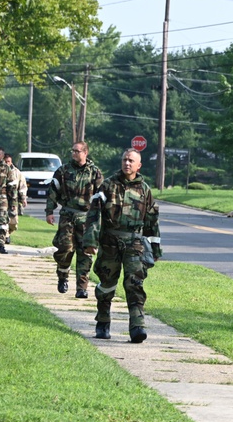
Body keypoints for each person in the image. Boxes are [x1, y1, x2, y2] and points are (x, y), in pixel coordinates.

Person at [84, 149, 161, 343]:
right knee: (107, 285)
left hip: (134, 243)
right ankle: (103, 322)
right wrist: (90, 241)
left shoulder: (145, 190)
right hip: (109, 241)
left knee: (135, 283)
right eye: (125, 160)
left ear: (138, 166)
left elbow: (152, 221)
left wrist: (156, 249)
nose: (127, 163)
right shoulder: (107, 186)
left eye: (131, 161)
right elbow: (94, 215)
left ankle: (137, 326)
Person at [45, 141, 104, 299]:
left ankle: (82, 287)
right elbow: (52, 191)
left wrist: (102, 217)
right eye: (73, 151)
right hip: (68, 216)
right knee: (65, 249)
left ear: (85, 153)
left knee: (85, 253)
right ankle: (62, 276)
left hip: (87, 218)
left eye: (77, 151)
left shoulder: (95, 172)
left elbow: (102, 196)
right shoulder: (63, 171)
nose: (74, 153)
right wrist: (49, 211)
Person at [3, 154, 27, 244]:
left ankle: (9, 232)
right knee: (2, 219)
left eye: (8, 161)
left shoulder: (17, 173)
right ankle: (5, 236)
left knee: (13, 222)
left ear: (11, 162)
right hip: (2, 199)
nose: (7, 163)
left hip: (13, 200)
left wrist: (23, 198)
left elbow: (22, 186)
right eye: (5, 162)